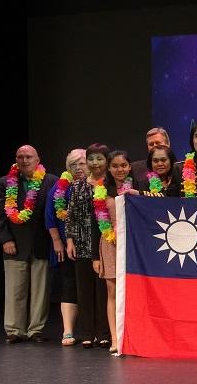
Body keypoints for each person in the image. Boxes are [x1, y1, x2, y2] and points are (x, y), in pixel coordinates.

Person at [0, 145, 58, 344]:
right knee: (15, 289)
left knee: (40, 290)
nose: (24, 160)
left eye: (28, 157)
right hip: (15, 243)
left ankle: (35, 329)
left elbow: (55, 212)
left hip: (41, 243)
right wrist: (5, 239)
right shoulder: (5, 182)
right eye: (20, 157)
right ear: (16, 160)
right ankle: (14, 330)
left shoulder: (51, 181)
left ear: (37, 160)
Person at [65, 143, 112, 349]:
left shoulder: (111, 184)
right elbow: (71, 215)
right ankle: (87, 333)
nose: (95, 163)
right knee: (84, 290)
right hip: (82, 241)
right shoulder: (78, 186)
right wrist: (69, 240)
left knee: (104, 291)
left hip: (107, 243)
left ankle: (104, 333)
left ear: (107, 161)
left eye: (99, 159)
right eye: (91, 159)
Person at [45, 148, 87, 346]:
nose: (78, 168)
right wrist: (57, 241)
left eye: (82, 163)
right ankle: (68, 331)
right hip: (66, 244)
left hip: (92, 243)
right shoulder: (60, 187)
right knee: (69, 284)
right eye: (73, 164)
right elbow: (50, 216)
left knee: (90, 288)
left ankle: (92, 331)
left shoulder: (97, 185)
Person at [95, 150, 134, 354]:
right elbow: (96, 223)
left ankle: (132, 335)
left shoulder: (138, 186)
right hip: (110, 243)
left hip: (133, 245)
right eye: (115, 166)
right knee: (112, 292)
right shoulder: (102, 190)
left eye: (123, 165)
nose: (120, 169)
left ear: (130, 166)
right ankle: (115, 338)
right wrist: (95, 256)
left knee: (132, 291)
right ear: (109, 168)